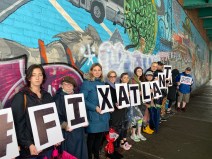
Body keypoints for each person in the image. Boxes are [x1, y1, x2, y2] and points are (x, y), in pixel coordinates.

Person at [11, 64, 55, 159]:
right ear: (29, 77)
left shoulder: (47, 96)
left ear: (43, 77)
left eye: (40, 74)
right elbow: (18, 124)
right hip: (31, 149)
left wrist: (55, 136)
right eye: (34, 75)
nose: (37, 78)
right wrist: (29, 144)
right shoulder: (21, 97)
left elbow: (52, 118)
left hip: (48, 145)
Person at [80, 63, 110, 159]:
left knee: (99, 138)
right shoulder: (86, 83)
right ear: (91, 71)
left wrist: (110, 106)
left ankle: (96, 155)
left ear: (101, 72)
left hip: (103, 116)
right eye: (95, 70)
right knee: (91, 138)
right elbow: (82, 100)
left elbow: (106, 99)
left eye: (99, 70)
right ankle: (89, 156)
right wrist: (94, 107)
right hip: (93, 115)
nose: (97, 72)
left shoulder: (103, 83)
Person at [54, 76, 88, 159]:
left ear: (73, 86)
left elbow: (82, 111)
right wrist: (64, 125)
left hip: (79, 132)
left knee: (81, 153)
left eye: (71, 85)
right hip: (68, 134)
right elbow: (55, 117)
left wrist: (84, 120)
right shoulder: (57, 98)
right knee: (70, 155)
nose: (69, 86)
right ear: (62, 85)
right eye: (66, 84)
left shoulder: (78, 96)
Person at [105, 70, 123, 159]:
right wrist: (113, 104)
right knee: (112, 132)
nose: (112, 78)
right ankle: (110, 153)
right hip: (112, 112)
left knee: (118, 131)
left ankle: (115, 150)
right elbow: (105, 99)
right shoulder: (105, 86)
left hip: (119, 111)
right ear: (108, 77)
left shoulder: (118, 85)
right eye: (111, 76)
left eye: (114, 76)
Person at [129, 67, 146, 142]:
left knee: (140, 118)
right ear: (135, 72)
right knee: (134, 118)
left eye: (141, 71)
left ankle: (139, 133)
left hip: (142, 101)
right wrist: (138, 92)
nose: (140, 72)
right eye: (138, 71)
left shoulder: (142, 79)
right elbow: (129, 90)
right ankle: (133, 134)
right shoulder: (132, 80)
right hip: (135, 101)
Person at [117, 73, 132, 150]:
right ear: (121, 79)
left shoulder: (129, 87)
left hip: (128, 108)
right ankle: (121, 141)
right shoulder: (118, 87)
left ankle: (125, 139)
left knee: (126, 124)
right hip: (122, 110)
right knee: (121, 125)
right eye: (124, 77)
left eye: (127, 77)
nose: (126, 79)